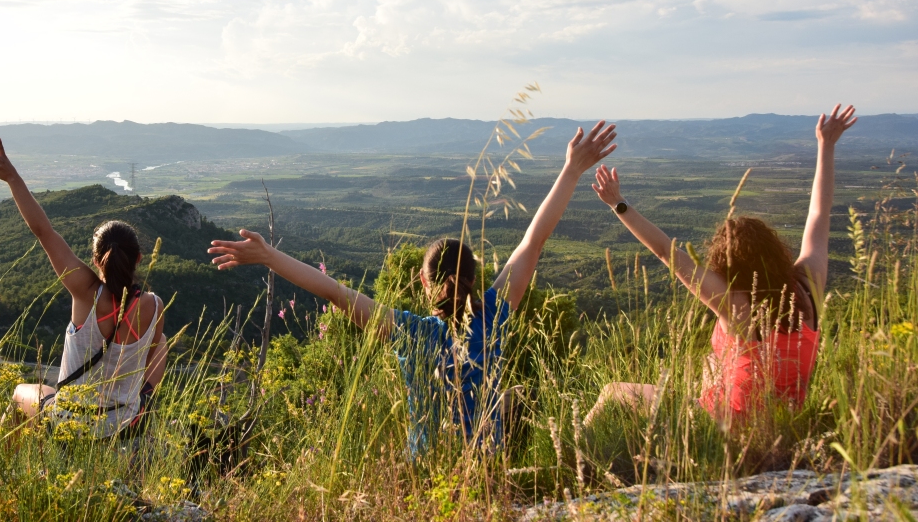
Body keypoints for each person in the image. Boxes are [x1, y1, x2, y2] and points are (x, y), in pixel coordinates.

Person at [208, 121, 617, 453]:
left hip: (424, 474)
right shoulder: (493, 314)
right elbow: (534, 240)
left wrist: (268, 256)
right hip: (485, 471)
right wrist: (570, 170)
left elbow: (332, 290)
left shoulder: (410, 332)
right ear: (476, 279)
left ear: (422, 281)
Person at [583, 105, 858, 429]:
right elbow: (818, 215)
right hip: (784, 428)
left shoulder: (736, 307)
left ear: (727, 267)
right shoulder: (807, 288)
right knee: (711, 364)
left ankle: (573, 461)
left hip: (721, 428)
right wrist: (826, 146)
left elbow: (664, 252)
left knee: (615, 391)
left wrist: (619, 204)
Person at [0, 138, 167, 439]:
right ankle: (142, 401)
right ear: (139, 259)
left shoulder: (85, 292)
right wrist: (142, 391)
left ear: (96, 259)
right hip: (122, 422)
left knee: (21, 392)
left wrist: (13, 178)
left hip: (70, 421)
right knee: (161, 342)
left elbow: (44, 231)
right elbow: (155, 350)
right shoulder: (155, 306)